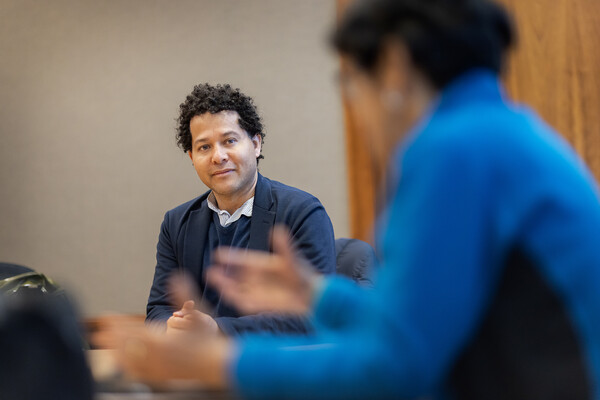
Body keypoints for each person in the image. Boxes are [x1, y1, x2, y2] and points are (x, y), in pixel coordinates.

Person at [113, 0, 600, 398]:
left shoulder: (451, 150)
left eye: (350, 82)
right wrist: (316, 294)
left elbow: (395, 370)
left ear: (392, 68)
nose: (358, 109)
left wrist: (223, 362)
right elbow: (416, 327)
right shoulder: (504, 134)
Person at [145, 83, 336, 336]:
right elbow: (158, 310)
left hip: (270, 369)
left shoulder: (302, 213)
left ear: (256, 144)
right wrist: (174, 327)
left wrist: (218, 330)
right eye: (204, 147)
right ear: (192, 157)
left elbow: (311, 317)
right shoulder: (176, 223)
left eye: (229, 141)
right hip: (196, 370)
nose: (218, 156)